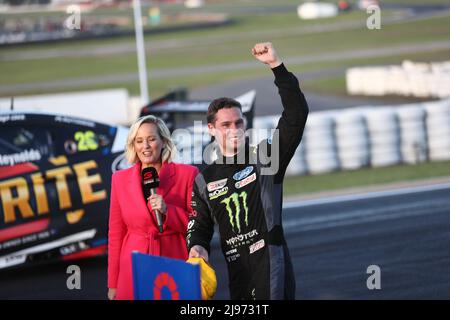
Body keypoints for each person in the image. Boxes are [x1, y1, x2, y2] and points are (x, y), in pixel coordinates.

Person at [186, 42, 309, 300]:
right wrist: (197, 248)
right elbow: (200, 226)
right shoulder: (203, 180)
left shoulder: (265, 158)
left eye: (238, 122)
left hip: (272, 265)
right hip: (237, 273)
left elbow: (296, 115)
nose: (234, 129)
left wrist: (277, 67)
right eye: (225, 124)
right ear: (211, 129)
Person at [107, 115, 199, 300]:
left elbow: (198, 225)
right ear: (133, 145)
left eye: (151, 139)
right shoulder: (119, 179)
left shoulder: (187, 174)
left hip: (174, 262)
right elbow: (116, 234)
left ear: (163, 141)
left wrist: (168, 211)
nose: (145, 146)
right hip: (134, 265)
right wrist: (113, 283)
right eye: (139, 141)